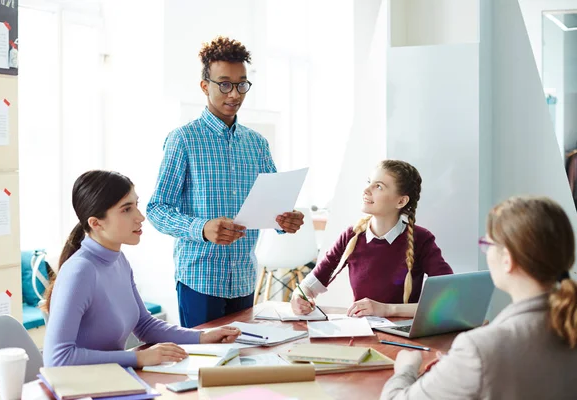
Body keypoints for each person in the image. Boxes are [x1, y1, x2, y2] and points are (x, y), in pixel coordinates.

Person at [147, 36, 304, 328]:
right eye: (224, 84)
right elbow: (156, 209)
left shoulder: (257, 144)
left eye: (241, 84)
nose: (234, 94)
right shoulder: (183, 140)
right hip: (200, 279)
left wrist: (286, 220)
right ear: (205, 85)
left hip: (244, 278)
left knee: (243, 362)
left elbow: (273, 204)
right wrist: (202, 228)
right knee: (207, 366)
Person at [381, 196, 577, 400]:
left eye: (487, 244)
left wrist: (406, 370)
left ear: (507, 260)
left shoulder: (481, 349)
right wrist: (461, 366)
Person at [43, 170, 241, 367]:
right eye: (126, 209)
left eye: (136, 205)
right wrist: (138, 358)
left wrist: (203, 336)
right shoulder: (80, 271)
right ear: (96, 223)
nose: (140, 217)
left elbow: (145, 325)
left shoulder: (118, 260)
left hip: (114, 380)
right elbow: (57, 359)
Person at [292, 160, 452, 318]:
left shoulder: (421, 239)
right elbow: (308, 287)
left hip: (403, 336)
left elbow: (449, 299)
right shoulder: (351, 236)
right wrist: (299, 297)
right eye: (369, 182)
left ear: (401, 201)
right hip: (361, 332)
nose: (367, 190)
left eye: (379, 186)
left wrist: (388, 310)